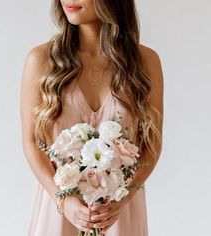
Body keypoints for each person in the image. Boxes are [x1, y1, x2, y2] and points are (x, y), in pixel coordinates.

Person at [20, 0, 164, 235]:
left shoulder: (145, 62)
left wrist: (122, 199)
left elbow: (152, 143)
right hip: (61, 211)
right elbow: (30, 142)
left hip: (118, 212)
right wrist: (63, 201)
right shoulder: (42, 60)